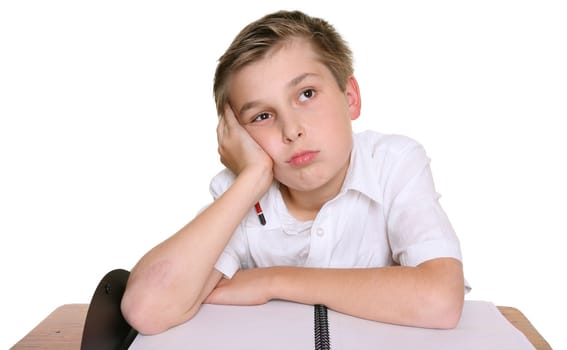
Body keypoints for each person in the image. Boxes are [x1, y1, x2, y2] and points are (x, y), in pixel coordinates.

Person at [121, 9, 467, 335]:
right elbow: (147, 308)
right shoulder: (241, 192)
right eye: (261, 116)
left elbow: (440, 299)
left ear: (350, 97)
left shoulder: (394, 163)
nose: (291, 130)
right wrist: (251, 179)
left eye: (306, 94)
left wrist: (272, 281)